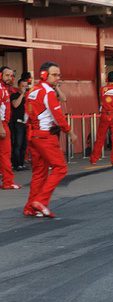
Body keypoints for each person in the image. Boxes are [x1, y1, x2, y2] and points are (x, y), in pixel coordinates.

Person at [24, 61, 77, 217]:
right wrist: (70, 132)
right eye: (54, 75)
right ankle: (40, 201)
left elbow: (27, 114)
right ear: (44, 75)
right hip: (46, 136)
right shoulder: (48, 93)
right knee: (60, 168)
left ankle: (30, 207)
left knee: (39, 173)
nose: (58, 78)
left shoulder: (33, 90)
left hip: (34, 135)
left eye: (59, 75)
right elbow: (58, 116)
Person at [90, 71, 113, 167]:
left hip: (104, 115)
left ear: (107, 80)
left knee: (100, 137)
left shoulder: (102, 89)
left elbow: (102, 102)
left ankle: (94, 159)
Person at [0, 66, 21, 189]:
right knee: (5, 154)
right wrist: (1, 127)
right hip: (2, 124)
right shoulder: (1, 89)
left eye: (11, 75)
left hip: (4, 124)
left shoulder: (4, 88)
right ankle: (8, 182)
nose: (10, 78)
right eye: (7, 75)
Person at [9, 72, 31, 171]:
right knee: (17, 144)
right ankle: (16, 164)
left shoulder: (28, 96)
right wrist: (22, 94)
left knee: (24, 145)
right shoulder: (14, 95)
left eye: (26, 86)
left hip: (25, 122)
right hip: (17, 122)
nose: (25, 88)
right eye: (23, 86)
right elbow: (15, 105)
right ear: (19, 86)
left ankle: (21, 164)